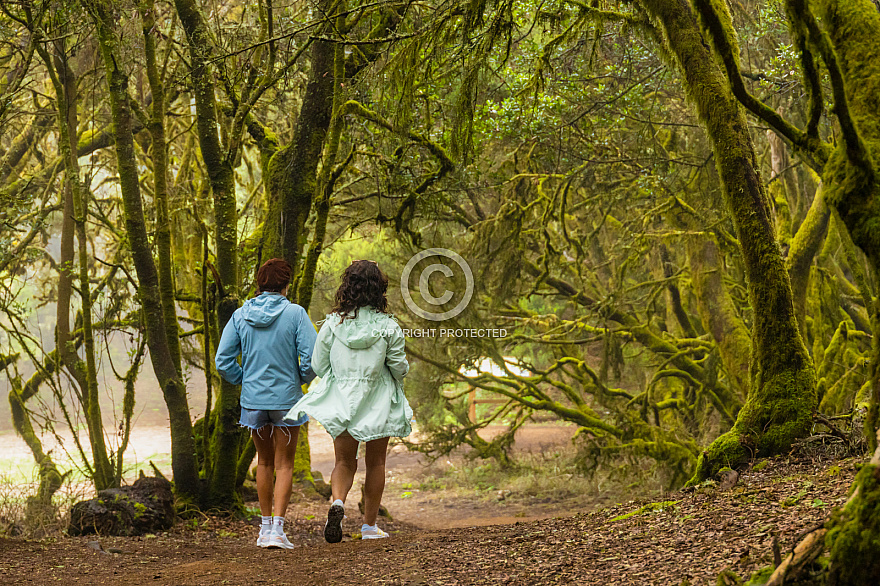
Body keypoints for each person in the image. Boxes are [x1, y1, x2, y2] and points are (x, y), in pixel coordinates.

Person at [286, 260, 411, 542]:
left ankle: (338, 502)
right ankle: (369, 527)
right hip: (378, 400)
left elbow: (318, 365)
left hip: (342, 399)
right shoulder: (388, 326)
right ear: (379, 289)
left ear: (347, 288)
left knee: (344, 461)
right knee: (376, 462)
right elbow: (398, 367)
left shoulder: (332, 324)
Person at [215, 258, 317, 549]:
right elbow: (314, 359)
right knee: (285, 465)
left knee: (264, 462)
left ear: (259, 284)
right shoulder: (295, 314)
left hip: (253, 401)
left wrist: (244, 379)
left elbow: (223, 361)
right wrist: (300, 379)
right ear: (287, 284)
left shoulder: (239, 315)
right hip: (287, 400)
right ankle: (278, 531)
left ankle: (263, 529)